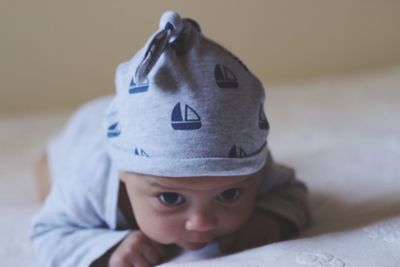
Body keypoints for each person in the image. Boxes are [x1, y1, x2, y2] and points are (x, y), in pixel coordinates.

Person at [30, 11, 310, 267]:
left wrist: (270, 219)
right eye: (170, 197)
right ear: (124, 172)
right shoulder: (90, 181)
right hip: (86, 126)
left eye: (229, 194)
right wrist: (110, 248)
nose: (201, 224)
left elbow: (292, 192)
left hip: (146, 120)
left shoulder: (244, 161)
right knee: (48, 184)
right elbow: (47, 232)